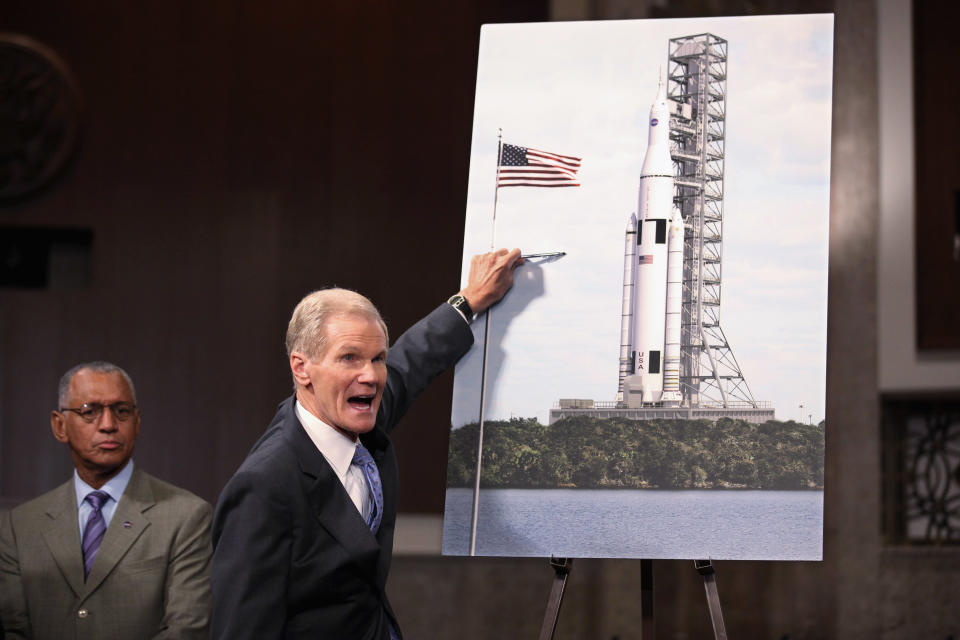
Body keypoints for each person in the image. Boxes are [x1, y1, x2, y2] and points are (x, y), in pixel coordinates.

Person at [210, 248, 523, 639]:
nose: (372, 376)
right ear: (301, 367)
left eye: (377, 358)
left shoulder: (355, 415)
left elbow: (413, 361)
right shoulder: (265, 484)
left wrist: (469, 300)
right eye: (350, 358)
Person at [0, 362, 212, 639]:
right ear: (59, 425)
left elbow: (186, 630)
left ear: (137, 423)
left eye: (121, 411)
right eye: (90, 411)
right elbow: (11, 629)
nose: (109, 425)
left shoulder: (187, 517)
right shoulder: (19, 526)